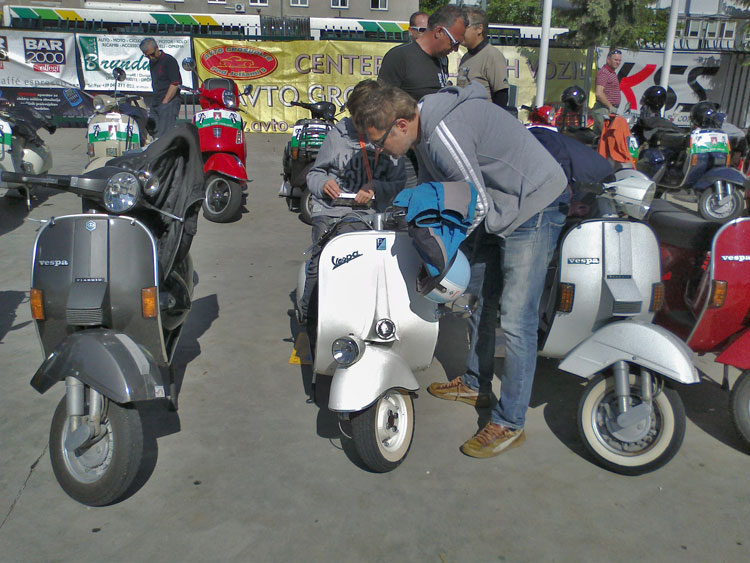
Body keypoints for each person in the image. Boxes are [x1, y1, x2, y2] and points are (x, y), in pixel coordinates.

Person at [355, 83, 569, 458]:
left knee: (516, 318)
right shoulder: (423, 132)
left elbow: (476, 203)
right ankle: (475, 383)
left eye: (379, 142)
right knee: (480, 299)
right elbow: (437, 189)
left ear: (401, 125)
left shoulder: (442, 132)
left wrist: (444, 254)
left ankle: (510, 422)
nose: (379, 151)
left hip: (533, 204)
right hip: (501, 204)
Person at [297, 80, 406, 324]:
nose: (364, 128)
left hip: (369, 214)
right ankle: (309, 317)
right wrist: (324, 183)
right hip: (331, 211)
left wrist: (376, 188)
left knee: (374, 267)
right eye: (358, 122)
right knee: (321, 262)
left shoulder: (390, 138)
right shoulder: (337, 136)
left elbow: (399, 183)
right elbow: (314, 174)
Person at [378, 5, 467, 102]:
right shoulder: (398, 57)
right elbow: (382, 102)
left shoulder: (443, 58)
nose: (456, 49)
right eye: (454, 43)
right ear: (439, 32)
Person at [456, 6, 509, 109]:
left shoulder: (492, 56)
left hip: (483, 117)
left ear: (479, 29)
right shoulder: (466, 57)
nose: (460, 31)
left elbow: (501, 96)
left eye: (465, 26)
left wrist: (491, 118)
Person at [139, 38, 182, 139]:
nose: (151, 58)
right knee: (152, 131)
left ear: (157, 48)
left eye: (152, 54)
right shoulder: (152, 63)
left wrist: (165, 102)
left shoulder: (169, 61)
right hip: (157, 100)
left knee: (164, 134)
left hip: (169, 101)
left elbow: (175, 83)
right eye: (147, 56)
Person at [592, 48, 623, 133]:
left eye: (619, 60)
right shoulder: (604, 73)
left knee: (601, 137)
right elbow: (599, 93)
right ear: (608, 59)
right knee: (607, 136)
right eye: (615, 60)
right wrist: (610, 107)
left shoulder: (611, 73)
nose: (618, 62)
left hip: (608, 110)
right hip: (604, 109)